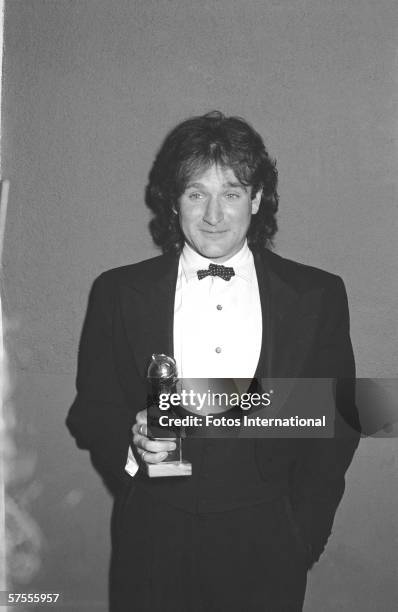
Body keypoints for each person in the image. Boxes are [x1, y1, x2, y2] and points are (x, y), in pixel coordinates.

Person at [66, 111, 360, 612]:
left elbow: (337, 419)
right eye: (196, 193)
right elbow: (92, 411)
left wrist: (302, 534)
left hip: (269, 542)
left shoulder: (318, 295)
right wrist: (132, 444)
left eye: (232, 193)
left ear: (257, 199)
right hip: (153, 541)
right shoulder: (118, 292)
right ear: (174, 201)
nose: (213, 215)